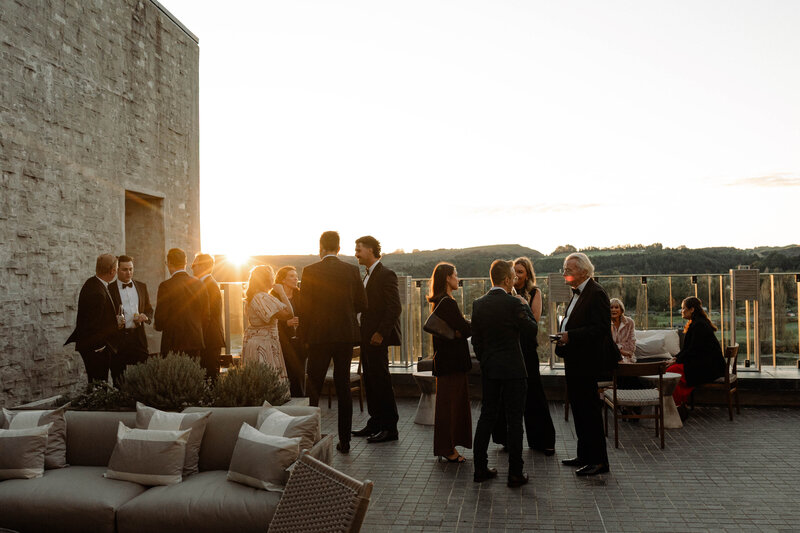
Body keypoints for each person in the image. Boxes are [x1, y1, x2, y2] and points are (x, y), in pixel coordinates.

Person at [297, 231, 367, 454]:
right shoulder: (352, 270)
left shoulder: (310, 271)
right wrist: (344, 313)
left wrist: (304, 336)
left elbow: (304, 308)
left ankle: (310, 438)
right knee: (343, 385)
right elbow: (362, 304)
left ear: (321, 247)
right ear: (338, 247)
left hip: (318, 336)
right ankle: (344, 441)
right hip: (344, 335)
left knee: (314, 385)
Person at [471, 260, 538, 488]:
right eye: (514, 277)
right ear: (507, 280)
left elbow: (477, 340)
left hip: (490, 369)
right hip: (514, 370)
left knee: (486, 417)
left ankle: (480, 469)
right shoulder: (514, 303)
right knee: (514, 421)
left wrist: (485, 359)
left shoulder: (478, 304)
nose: (515, 281)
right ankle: (515, 473)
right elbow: (532, 330)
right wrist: (523, 304)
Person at [555, 252, 615, 476]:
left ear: (583, 271)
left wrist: (571, 336)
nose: (565, 273)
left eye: (568, 270)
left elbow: (600, 328)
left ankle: (599, 461)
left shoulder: (596, 293)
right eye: (564, 269)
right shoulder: (577, 293)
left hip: (588, 362)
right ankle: (584, 454)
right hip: (575, 360)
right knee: (579, 410)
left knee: (589, 410)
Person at [352, 235, 401, 444]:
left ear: (371, 250)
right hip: (365, 336)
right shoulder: (366, 275)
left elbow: (394, 307)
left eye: (359, 249)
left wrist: (380, 333)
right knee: (370, 380)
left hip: (376, 338)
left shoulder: (386, 274)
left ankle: (390, 428)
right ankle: (375, 422)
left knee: (381, 380)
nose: (356, 253)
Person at [426, 262, 472, 463]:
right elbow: (465, 329)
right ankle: (447, 448)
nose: (458, 277)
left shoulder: (441, 302)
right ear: (447, 277)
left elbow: (460, 329)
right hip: (451, 364)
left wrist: (460, 329)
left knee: (449, 406)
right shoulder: (448, 303)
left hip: (446, 362)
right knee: (450, 408)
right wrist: (462, 329)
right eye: (456, 274)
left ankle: (448, 446)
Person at [667, 296, 726, 421]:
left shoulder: (699, 325)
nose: (681, 311)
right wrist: (676, 358)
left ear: (692, 309)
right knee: (673, 370)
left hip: (708, 368)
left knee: (671, 373)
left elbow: (693, 350)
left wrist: (676, 360)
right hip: (705, 364)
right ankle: (678, 405)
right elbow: (690, 350)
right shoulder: (697, 323)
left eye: (683, 308)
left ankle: (677, 406)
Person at [65, 254, 120, 384]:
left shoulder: (93, 282)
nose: (116, 271)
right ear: (112, 271)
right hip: (96, 349)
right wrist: (100, 347)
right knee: (99, 385)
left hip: (92, 346)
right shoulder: (97, 292)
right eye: (117, 269)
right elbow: (92, 325)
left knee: (97, 384)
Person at [242, 266, 294, 390]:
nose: (274, 279)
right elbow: (289, 314)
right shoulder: (262, 297)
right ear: (266, 279)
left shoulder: (256, 296)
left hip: (256, 342)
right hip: (264, 346)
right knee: (267, 383)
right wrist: (281, 292)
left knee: (257, 382)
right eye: (272, 276)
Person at [154, 248, 209, 359]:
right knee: (192, 375)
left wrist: (157, 325)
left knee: (173, 375)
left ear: (169, 263)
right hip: (195, 342)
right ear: (185, 262)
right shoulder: (200, 284)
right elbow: (206, 316)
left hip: (172, 343)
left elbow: (161, 318)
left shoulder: (166, 286)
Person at [107, 255, 153, 385]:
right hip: (118, 339)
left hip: (138, 337)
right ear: (117, 270)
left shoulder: (141, 286)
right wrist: (114, 321)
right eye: (124, 269)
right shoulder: (109, 289)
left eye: (131, 269)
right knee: (118, 377)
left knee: (144, 376)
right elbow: (104, 315)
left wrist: (146, 317)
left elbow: (149, 309)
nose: (129, 273)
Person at [272, 265, 306, 397]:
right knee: (285, 371)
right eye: (291, 276)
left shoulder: (300, 294)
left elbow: (307, 314)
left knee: (299, 372)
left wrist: (301, 321)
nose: (295, 278)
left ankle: (299, 398)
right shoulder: (273, 296)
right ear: (283, 280)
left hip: (300, 340)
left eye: (296, 276)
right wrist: (286, 323)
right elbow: (270, 319)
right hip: (281, 340)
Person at [191, 253, 226, 381]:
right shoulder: (204, 283)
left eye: (194, 264)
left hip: (210, 339)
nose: (191, 267)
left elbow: (210, 314)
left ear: (203, 266)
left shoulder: (210, 285)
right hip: (206, 338)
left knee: (210, 377)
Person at [610, 298, 636, 363]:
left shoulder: (630, 322)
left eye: (616, 307)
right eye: (611, 307)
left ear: (621, 310)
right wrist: (621, 351)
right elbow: (607, 345)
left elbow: (632, 345)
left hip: (627, 356)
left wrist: (616, 347)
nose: (613, 310)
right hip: (610, 356)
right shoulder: (605, 323)